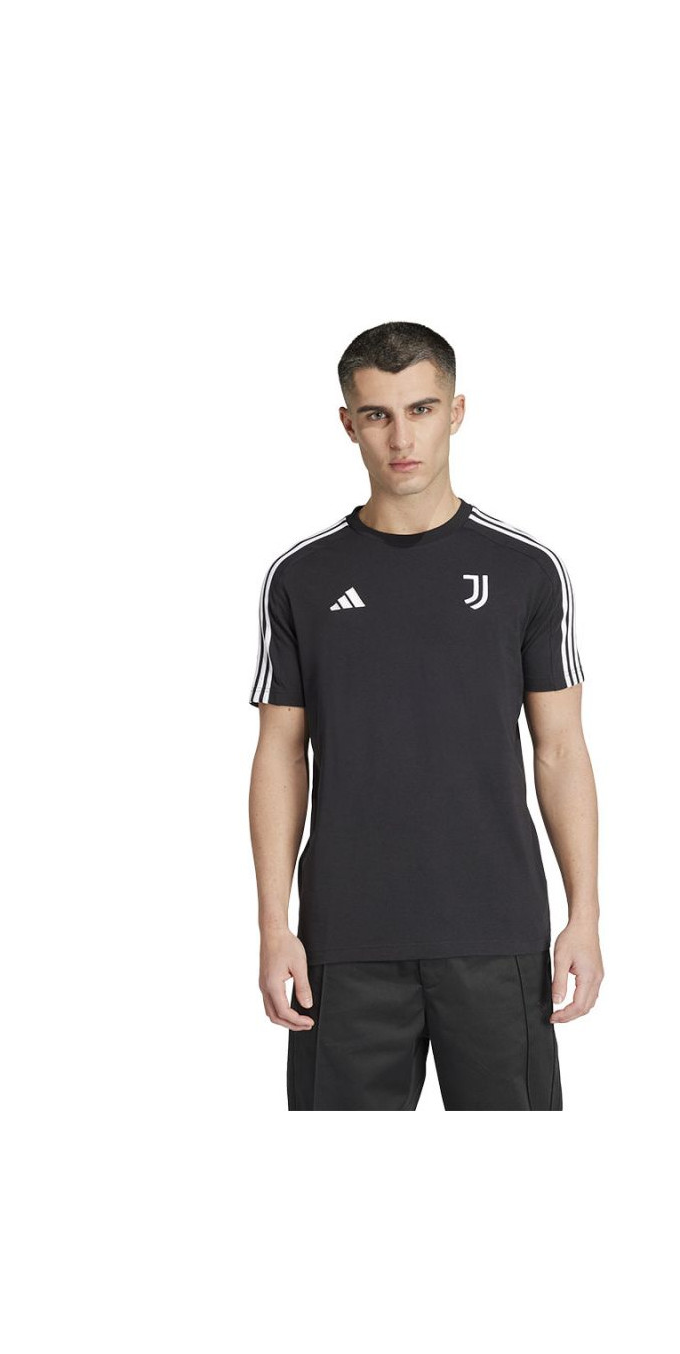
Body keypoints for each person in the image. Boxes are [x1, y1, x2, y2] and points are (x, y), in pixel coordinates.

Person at [248, 320, 602, 1110]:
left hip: (497, 935)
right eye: (378, 414)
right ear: (349, 424)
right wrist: (275, 927)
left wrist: (584, 916)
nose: (401, 438)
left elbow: (560, 751)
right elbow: (280, 753)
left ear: (457, 412)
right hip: (344, 941)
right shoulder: (302, 577)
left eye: (421, 409)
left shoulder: (526, 571)